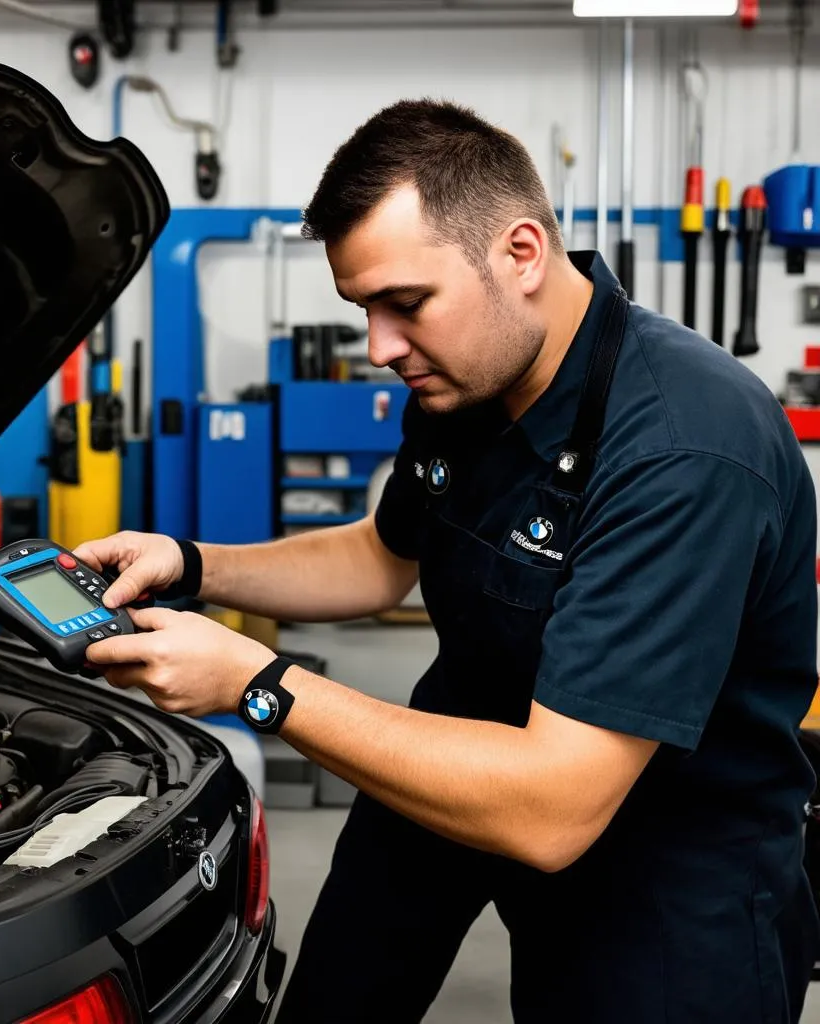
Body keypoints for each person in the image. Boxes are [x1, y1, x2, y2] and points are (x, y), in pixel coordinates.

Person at [76, 99, 820, 1023]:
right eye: (363, 309)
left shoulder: (684, 449)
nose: (382, 348)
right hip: (452, 752)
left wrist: (256, 684)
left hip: (654, 856)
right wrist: (190, 564)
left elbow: (552, 808)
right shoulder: (469, 374)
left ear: (520, 253)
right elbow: (382, 558)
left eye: (406, 304)